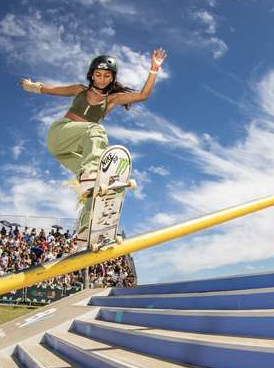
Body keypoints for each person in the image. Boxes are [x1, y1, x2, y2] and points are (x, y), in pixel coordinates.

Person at [20, 48, 167, 245]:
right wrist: (31, 86)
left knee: (99, 184)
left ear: (112, 78)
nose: (102, 79)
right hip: (59, 135)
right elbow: (50, 90)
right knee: (96, 131)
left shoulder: (112, 99)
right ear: (92, 75)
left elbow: (142, 95)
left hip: (68, 153)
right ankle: (90, 172)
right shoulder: (80, 90)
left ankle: (85, 230)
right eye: (98, 75)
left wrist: (154, 69)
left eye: (107, 76)